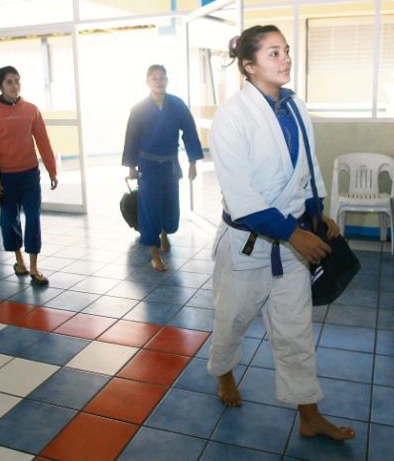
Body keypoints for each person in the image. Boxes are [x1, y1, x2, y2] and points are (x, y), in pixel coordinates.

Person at [206, 25, 356, 441]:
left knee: (295, 331)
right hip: (247, 245)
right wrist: (292, 233)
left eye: (286, 50)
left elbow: (306, 166)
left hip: (292, 244)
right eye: (274, 53)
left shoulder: (294, 106)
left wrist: (316, 211)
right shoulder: (232, 117)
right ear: (250, 66)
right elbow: (241, 196)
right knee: (232, 321)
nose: (286, 58)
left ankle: (309, 414)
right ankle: (223, 373)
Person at [0, 66, 58, 286]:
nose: (15, 85)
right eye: (9, 82)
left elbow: (43, 142)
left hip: (29, 176)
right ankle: (19, 260)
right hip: (4, 179)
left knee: (33, 218)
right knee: (9, 220)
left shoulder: (31, 110)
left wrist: (52, 169)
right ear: (1, 86)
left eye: (17, 81)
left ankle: (34, 267)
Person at [121, 65, 204, 271]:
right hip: (147, 167)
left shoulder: (177, 105)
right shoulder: (139, 108)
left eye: (162, 77)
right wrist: (132, 166)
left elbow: (190, 132)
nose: (159, 81)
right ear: (147, 82)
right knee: (149, 209)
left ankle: (165, 233)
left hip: (170, 165)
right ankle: (154, 253)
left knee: (170, 209)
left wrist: (193, 162)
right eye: (154, 78)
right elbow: (131, 138)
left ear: (167, 80)